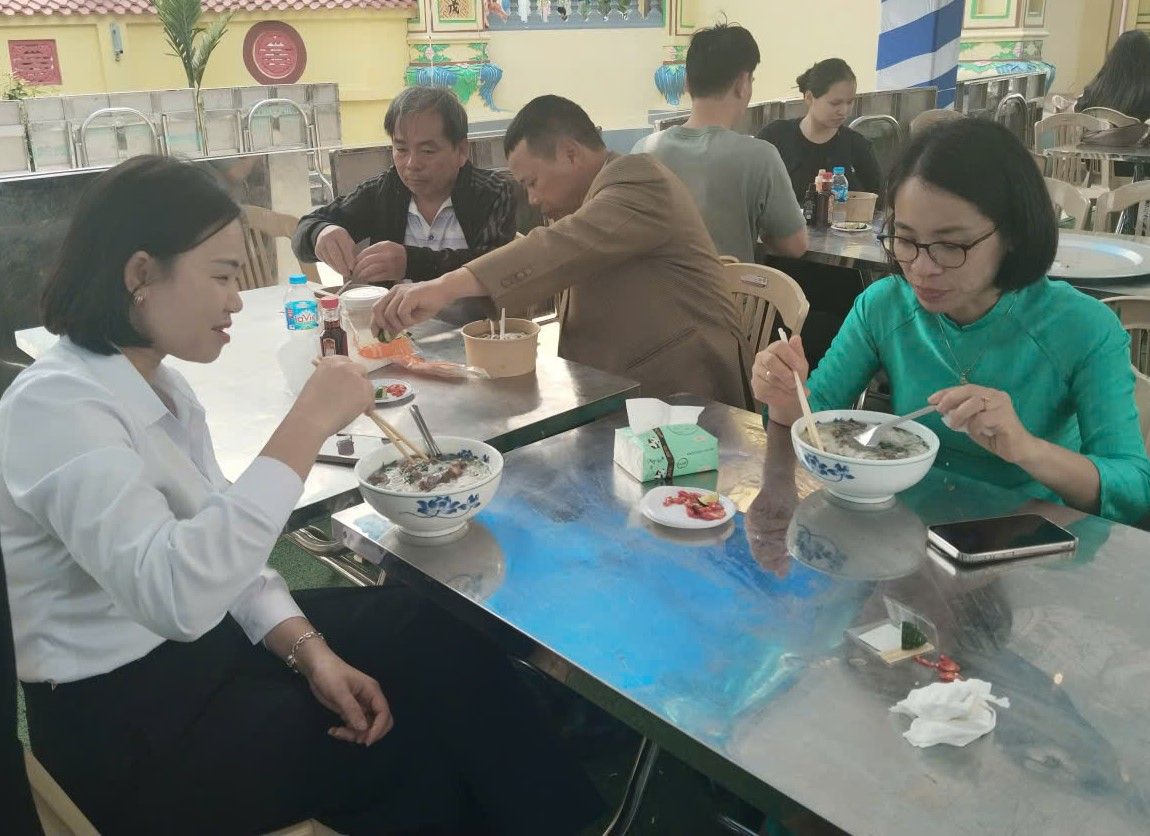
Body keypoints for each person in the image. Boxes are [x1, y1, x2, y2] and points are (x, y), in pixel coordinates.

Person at [0, 156, 602, 835]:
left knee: (434, 629)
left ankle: (568, 817)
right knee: (403, 744)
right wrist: (307, 420)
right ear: (141, 275)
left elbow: (226, 552)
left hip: (204, 656)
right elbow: (178, 593)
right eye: (223, 276)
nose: (235, 299)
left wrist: (309, 651)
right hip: (131, 730)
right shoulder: (54, 408)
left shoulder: (158, 387)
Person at [753, 120, 1150, 525]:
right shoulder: (884, 306)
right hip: (902, 528)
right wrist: (786, 401)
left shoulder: (1082, 327)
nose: (922, 269)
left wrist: (1027, 448)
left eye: (951, 245)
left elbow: (1135, 489)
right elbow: (812, 419)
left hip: (1029, 542)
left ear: (1013, 232)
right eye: (905, 239)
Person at [374, 95, 749, 407]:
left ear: (570, 154)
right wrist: (445, 309)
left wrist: (444, 286)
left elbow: (555, 248)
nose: (534, 199)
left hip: (688, 395)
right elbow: (546, 277)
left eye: (532, 183)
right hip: (618, 386)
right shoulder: (583, 205)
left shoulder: (638, 181)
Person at [292, 86, 515, 325]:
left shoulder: (492, 193)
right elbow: (305, 230)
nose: (411, 164)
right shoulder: (383, 192)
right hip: (395, 338)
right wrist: (320, 233)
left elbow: (495, 268)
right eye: (400, 149)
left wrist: (410, 262)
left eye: (427, 150)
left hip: (478, 336)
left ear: (461, 151)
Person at [631, 23, 807, 263]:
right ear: (743, 84)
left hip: (655, 295)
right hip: (727, 297)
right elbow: (795, 245)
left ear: (687, 84)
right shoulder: (759, 156)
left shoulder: (643, 151)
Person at [757, 58, 883, 204]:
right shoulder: (775, 137)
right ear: (809, 98)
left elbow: (877, 202)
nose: (844, 111)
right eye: (835, 103)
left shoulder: (857, 146)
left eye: (850, 102)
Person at [1074, 29, 1150, 121]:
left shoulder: (1095, 91)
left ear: (1114, 58)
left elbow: (1078, 111)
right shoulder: (1144, 96)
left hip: (1093, 135)